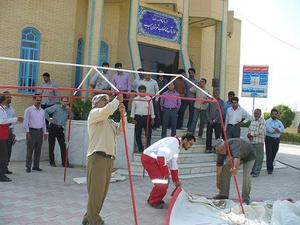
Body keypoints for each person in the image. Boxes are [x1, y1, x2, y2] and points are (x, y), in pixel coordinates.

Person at [82, 93, 126, 225]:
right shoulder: (94, 113)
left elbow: (121, 130)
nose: (107, 102)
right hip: (97, 157)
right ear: (95, 103)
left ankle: (87, 219)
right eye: (103, 100)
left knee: (101, 194)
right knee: (96, 192)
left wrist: (123, 114)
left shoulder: (110, 121)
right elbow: (107, 110)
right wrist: (116, 101)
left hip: (108, 159)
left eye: (108, 100)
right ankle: (95, 221)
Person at [141, 133, 196, 209]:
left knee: (163, 181)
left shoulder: (177, 146)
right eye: (190, 144)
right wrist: (166, 174)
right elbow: (161, 157)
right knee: (162, 182)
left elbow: (173, 163)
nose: (190, 146)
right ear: (185, 140)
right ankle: (153, 201)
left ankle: (154, 199)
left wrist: (176, 180)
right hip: (149, 160)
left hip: (154, 160)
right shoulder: (173, 143)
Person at [213, 138, 256, 205]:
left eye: (221, 150)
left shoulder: (234, 144)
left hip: (249, 156)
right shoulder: (220, 151)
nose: (221, 152)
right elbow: (219, 167)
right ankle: (223, 194)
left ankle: (245, 198)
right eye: (218, 151)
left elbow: (236, 158)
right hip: (237, 157)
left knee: (246, 176)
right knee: (225, 169)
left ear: (225, 145)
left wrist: (234, 168)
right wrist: (218, 181)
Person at [44, 97, 72, 167]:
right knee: (51, 145)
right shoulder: (56, 107)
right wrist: (49, 119)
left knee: (63, 146)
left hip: (60, 129)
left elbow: (72, 117)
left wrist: (69, 111)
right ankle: (52, 162)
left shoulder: (67, 110)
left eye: (66, 102)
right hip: (53, 127)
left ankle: (65, 163)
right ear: (61, 101)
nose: (65, 103)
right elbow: (45, 111)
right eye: (64, 101)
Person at [0, 93, 22, 182]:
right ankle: (1, 176)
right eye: (7, 98)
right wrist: (16, 119)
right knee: (4, 156)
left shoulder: (3, 109)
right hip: (1, 136)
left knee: (4, 155)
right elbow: (2, 121)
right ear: (3, 99)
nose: (9, 99)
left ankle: (2, 173)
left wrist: (15, 121)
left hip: (5, 134)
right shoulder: (0, 109)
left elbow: (7, 122)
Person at [23, 94, 47, 173]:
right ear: (34, 100)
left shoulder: (43, 111)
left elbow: (43, 122)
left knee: (38, 150)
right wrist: (27, 132)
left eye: (40, 100)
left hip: (40, 132)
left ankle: (36, 166)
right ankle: (28, 167)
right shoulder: (28, 110)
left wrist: (45, 132)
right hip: (31, 131)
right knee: (30, 150)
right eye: (37, 100)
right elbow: (25, 122)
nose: (38, 102)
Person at [131, 85, 155, 153]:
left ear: (145, 91)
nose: (142, 93)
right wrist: (132, 118)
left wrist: (153, 118)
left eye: (143, 91)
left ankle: (147, 148)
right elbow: (133, 109)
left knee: (148, 133)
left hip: (147, 117)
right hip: (138, 117)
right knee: (138, 134)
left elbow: (151, 109)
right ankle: (140, 149)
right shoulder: (135, 99)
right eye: (141, 92)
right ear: (138, 91)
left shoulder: (149, 99)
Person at [265, 108, 284, 175]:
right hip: (269, 139)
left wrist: (276, 129)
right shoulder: (267, 121)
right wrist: (278, 129)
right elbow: (270, 130)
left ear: (277, 115)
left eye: (275, 114)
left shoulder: (279, 122)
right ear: (271, 114)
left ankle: (270, 166)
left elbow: (283, 129)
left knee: (273, 154)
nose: (274, 115)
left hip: (276, 140)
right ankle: (270, 169)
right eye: (273, 114)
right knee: (269, 154)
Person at [248, 108, 266, 177]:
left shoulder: (262, 121)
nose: (255, 114)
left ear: (260, 114)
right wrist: (249, 134)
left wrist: (251, 134)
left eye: (257, 113)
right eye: (255, 113)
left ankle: (257, 172)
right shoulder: (253, 120)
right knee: (253, 157)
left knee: (259, 158)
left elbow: (260, 131)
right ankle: (253, 171)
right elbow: (249, 129)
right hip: (252, 142)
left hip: (259, 142)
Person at [205, 89, 225, 153]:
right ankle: (208, 148)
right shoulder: (210, 101)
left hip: (218, 122)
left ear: (219, 94)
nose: (216, 94)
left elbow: (220, 112)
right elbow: (207, 111)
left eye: (217, 93)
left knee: (217, 137)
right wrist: (209, 119)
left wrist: (215, 120)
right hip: (210, 121)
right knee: (208, 135)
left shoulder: (221, 102)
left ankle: (217, 149)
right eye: (215, 93)